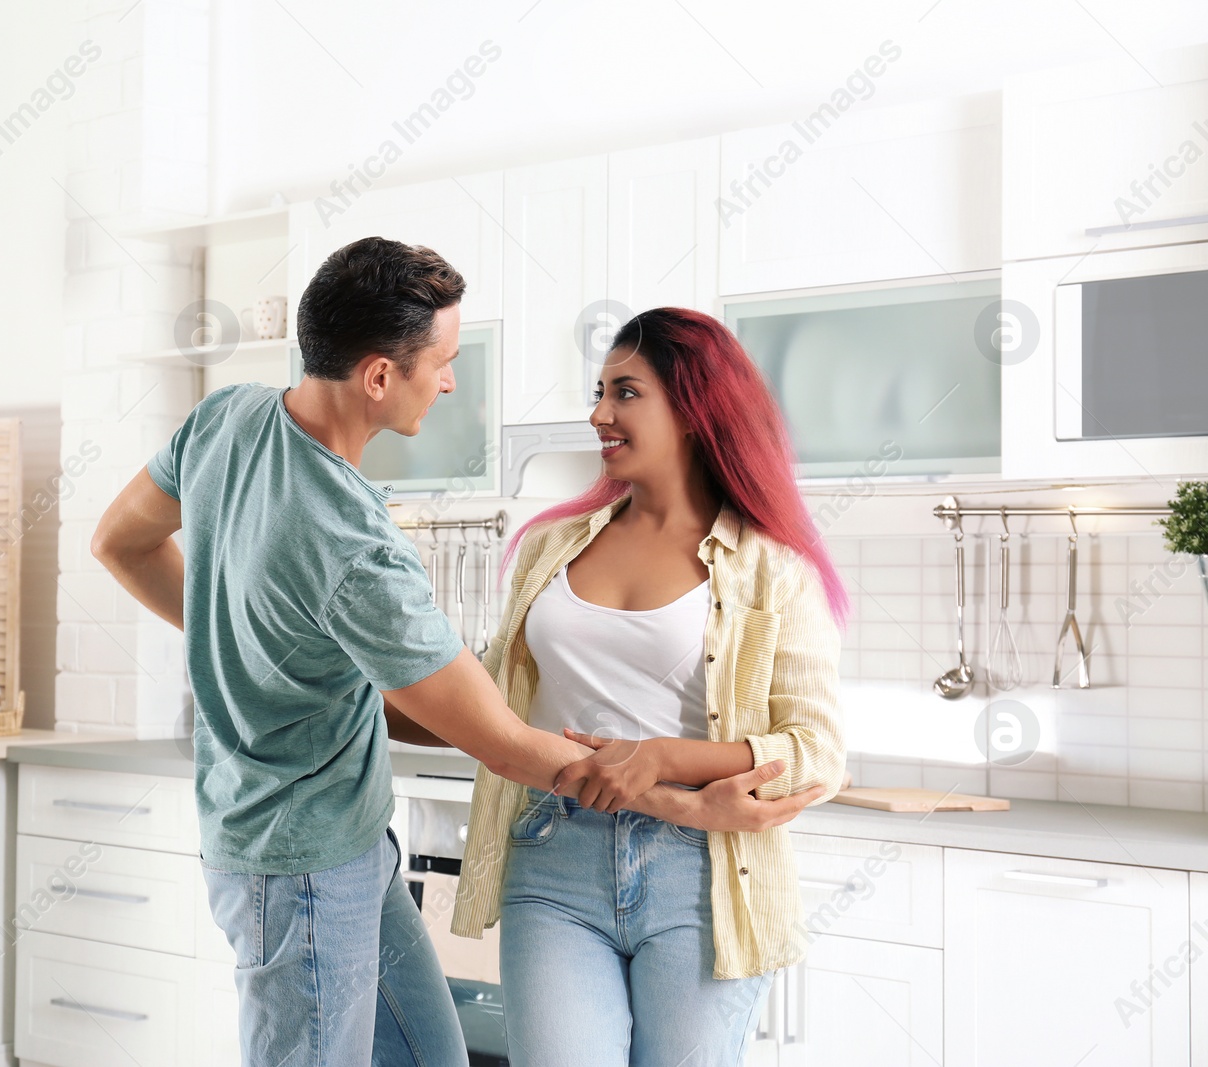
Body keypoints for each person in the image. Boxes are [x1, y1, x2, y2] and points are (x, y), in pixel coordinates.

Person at [93, 240, 823, 1067]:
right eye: (440, 363)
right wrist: (688, 802)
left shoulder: (225, 417)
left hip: (345, 841)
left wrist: (250, 636)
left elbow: (120, 542)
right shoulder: (358, 545)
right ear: (377, 377)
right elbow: (501, 740)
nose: (447, 381)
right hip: (298, 866)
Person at [449, 307, 847, 1067]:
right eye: (599, 391)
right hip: (552, 849)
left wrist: (661, 757)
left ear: (696, 409)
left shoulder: (771, 567)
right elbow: (488, 698)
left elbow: (817, 752)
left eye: (625, 392)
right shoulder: (549, 546)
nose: (599, 413)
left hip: (702, 872)